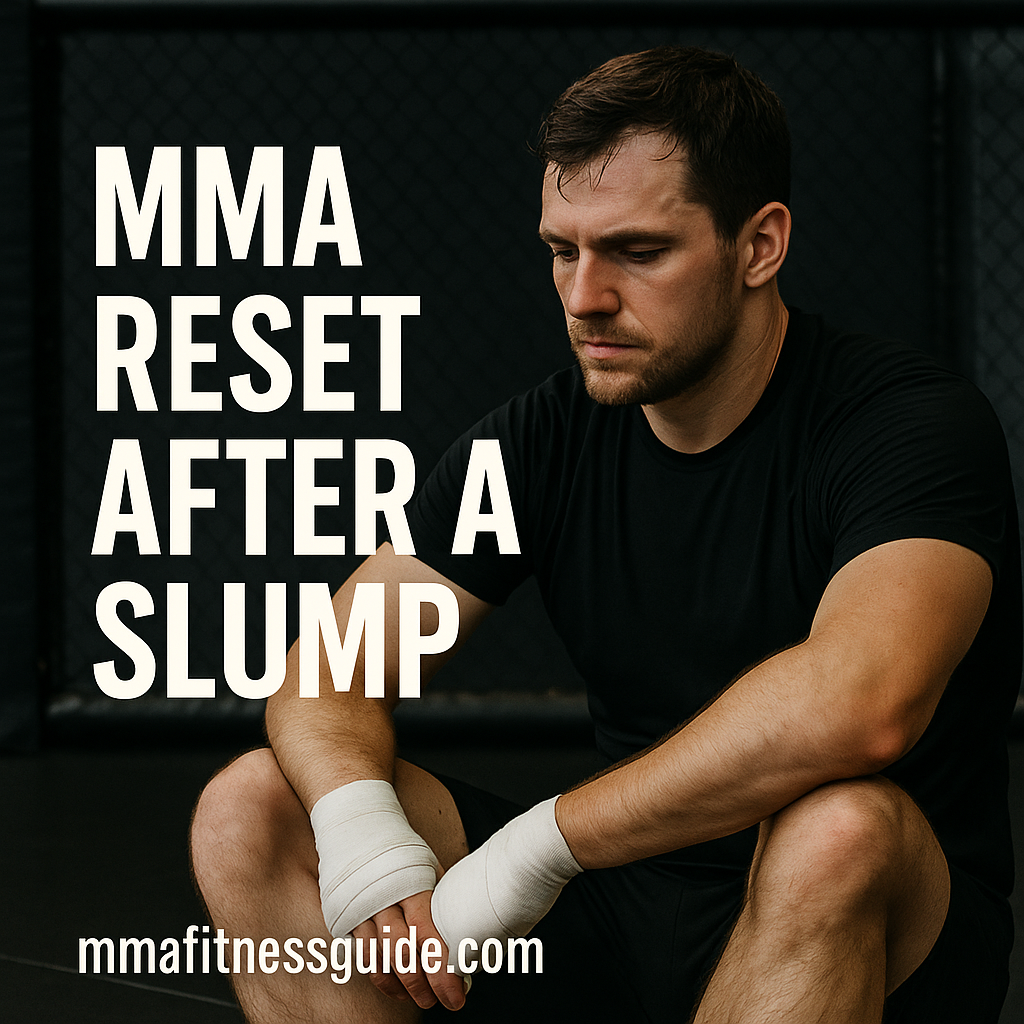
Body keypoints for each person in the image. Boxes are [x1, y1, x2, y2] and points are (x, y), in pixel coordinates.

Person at [190, 45, 1021, 1023]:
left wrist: (540, 842)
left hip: (865, 923)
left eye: (637, 251)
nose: (585, 296)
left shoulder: (907, 427)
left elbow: (857, 705)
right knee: (256, 808)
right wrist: (366, 833)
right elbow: (331, 668)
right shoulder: (539, 440)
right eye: (560, 250)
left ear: (758, 245)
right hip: (622, 903)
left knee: (839, 827)